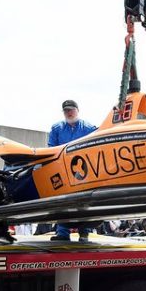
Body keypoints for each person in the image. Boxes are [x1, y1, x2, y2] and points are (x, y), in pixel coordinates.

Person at [48, 99, 97, 242]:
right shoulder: (56, 128)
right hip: (63, 172)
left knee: (85, 201)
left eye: (71, 110)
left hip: (85, 173)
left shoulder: (89, 128)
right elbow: (51, 149)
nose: (68, 113)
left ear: (77, 110)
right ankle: (62, 232)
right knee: (61, 201)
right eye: (66, 111)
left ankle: (84, 232)